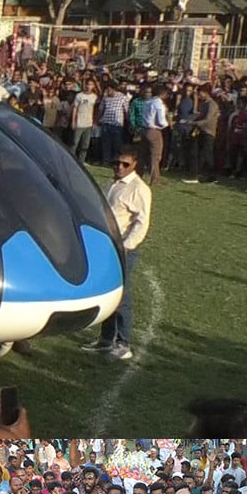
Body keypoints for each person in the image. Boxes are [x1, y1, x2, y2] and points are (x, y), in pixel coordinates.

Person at [83, 144, 151, 360]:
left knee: (122, 295)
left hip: (123, 249)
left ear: (135, 165)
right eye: (116, 163)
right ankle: (106, 339)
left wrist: (126, 247)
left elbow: (141, 223)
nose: (119, 167)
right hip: (107, 246)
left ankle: (123, 342)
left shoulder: (139, 190)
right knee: (109, 292)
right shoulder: (113, 184)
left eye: (125, 164)